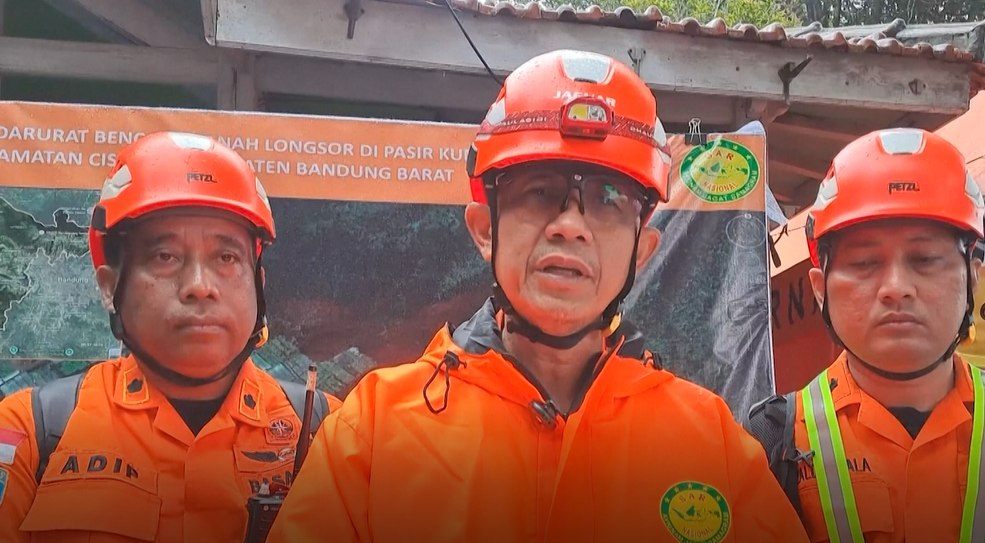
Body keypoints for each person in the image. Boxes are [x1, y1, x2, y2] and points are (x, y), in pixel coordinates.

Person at [269, 49, 808, 543]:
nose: (570, 225)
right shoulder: (373, 432)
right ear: (485, 229)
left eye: (608, 198)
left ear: (642, 250)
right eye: (540, 191)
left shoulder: (712, 444)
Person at [0, 132, 340, 542]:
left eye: (227, 257)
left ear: (258, 284)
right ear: (110, 287)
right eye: (166, 256)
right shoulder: (30, 432)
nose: (199, 286)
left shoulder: (334, 434)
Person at [747, 128, 985, 542]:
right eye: (864, 263)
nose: (896, 287)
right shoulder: (772, 442)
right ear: (820, 290)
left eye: (925, 259)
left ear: (973, 278)